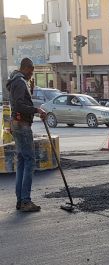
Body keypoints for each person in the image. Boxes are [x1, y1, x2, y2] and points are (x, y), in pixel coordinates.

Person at [7, 58, 47, 212]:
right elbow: (19, 105)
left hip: (18, 124)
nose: (32, 73)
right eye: (31, 70)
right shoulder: (19, 81)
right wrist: (37, 110)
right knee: (29, 160)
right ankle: (25, 200)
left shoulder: (18, 81)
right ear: (26, 68)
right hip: (22, 125)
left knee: (22, 161)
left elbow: (20, 103)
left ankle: (21, 200)